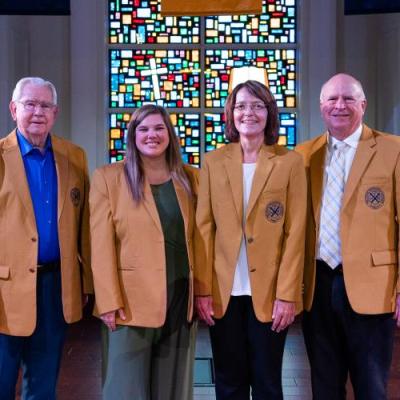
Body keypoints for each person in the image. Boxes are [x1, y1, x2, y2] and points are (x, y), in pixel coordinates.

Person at [195, 80, 307, 399]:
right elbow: (204, 229)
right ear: (230, 115)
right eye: (241, 106)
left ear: (270, 114)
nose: (249, 113)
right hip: (223, 289)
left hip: (271, 292)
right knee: (229, 380)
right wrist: (202, 289)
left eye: (258, 106)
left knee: (268, 379)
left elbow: (295, 233)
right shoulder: (213, 162)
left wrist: (287, 294)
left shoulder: (289, 162)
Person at [296, 73, 400, 400]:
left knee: (371, 386)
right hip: (318, 284)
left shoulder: (392, 150)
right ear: (321, 106)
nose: (340, 105)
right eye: (332, 99)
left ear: (363, 105)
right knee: (325, 387)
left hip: (373, 285)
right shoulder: (303, 155)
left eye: (348, 99)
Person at [90, 104, 199, 399]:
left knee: (173, 391)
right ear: (132, 136)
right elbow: (100, 246)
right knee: (126, 390)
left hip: (179, 299)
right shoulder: (108, 179)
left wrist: (202, 294)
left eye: (159, 128)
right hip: (129, 302)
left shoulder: (190, 179)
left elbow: (200, 240)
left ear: (170, 135)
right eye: (144, 129)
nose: (152, 135)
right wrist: (108, 301)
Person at [0, 77, 92, 400]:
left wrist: (86, 284)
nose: (37, 112)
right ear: (14, 109)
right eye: (30, 104)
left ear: (55, 113)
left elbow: (85, 227)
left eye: (45, 106)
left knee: (42, 387)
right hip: (4, 291)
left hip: (55, 287)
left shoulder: (74, 157)